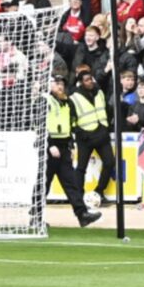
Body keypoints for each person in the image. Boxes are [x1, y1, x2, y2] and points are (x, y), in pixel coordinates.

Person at [45, 75, 99, 226]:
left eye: (62, 83)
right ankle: (35, 218)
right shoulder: (45, 100)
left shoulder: (67, 102)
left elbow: (71, 125)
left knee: (71, 183)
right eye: (56, 83)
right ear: (49, 85)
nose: (60, 86)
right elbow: (38, 124)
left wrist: (71, 145)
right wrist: (49, 145)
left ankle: (82, 214)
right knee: (43, 184)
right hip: (49, 147)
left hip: (63, 146)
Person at [67, 65, 113, 211]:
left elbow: (106, 110)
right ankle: (78, 196)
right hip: (85, 137)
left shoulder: (99, 92)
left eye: (91, 79)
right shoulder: (74, 96)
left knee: (110, 162)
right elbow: (71, 116)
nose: (90, 82)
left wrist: (106, 128)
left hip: (101, 134)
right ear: (80, 82)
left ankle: (99, 191)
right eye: (86, 80)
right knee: (81, 167)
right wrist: (78, 131)